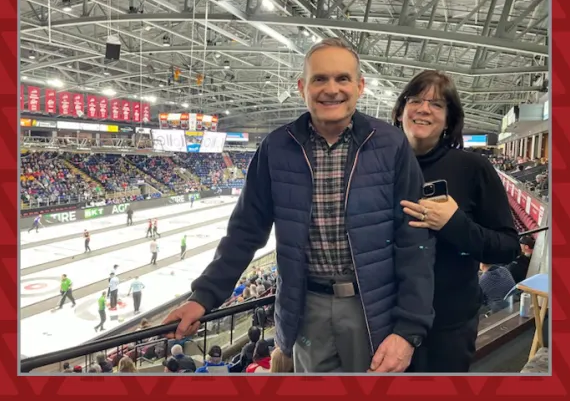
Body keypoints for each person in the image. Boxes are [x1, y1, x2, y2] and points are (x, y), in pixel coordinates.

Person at [163, 37, 436, 374]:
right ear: (301, 87)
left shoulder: (390, 144)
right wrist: (203, 297)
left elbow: (415, 240)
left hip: (373, 308)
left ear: (360, 86)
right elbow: (246, 231)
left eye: (342, 79)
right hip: (307, 309)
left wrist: (408, 330)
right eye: (319, 79)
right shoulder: (276, 148)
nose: (331, 89)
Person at [392, 70, 519, 373]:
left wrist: (453, 224)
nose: (424, 109)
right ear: (400, 112)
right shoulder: (378, 166)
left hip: (447, 326)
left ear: (449, 119)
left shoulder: (474, 168)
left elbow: (508, 247)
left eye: (436, 104)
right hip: (386, 321)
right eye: (416, 100)